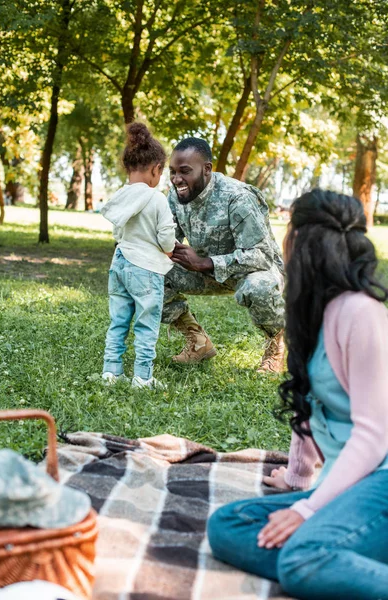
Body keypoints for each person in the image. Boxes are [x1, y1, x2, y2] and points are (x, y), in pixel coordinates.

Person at [207, 189, 388, 599]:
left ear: (301, 241)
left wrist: (307, 509)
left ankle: (322, 558)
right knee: (228, 527)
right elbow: (311, 404)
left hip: (381, 482)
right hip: (349, 489)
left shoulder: (362, 312)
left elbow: (375, 434)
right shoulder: (312, 310)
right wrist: (297, 480)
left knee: (301, 561)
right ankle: (345, 558)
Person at [164, 138, 285, 372]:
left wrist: (204, 263)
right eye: (173, 172)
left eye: (185, 171)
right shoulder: (176, 195)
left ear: (207, 169)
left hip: (253, 271)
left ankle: (277, 345)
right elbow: (169, 238)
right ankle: (198, 342)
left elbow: (261, 256)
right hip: (205, 270)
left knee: (258, 288)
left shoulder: (237, 196)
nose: (177, 179)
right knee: (146, 274)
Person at [101, 123, 176, 389]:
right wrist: (169, 249)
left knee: (118, 321)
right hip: (145, 269)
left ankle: (111, 372)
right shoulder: (157, 199)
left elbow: (117, 230)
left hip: (119, 263)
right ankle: (142, 378)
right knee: (146, 325)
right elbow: (166, 234)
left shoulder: (120, 196)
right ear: (156, 169)